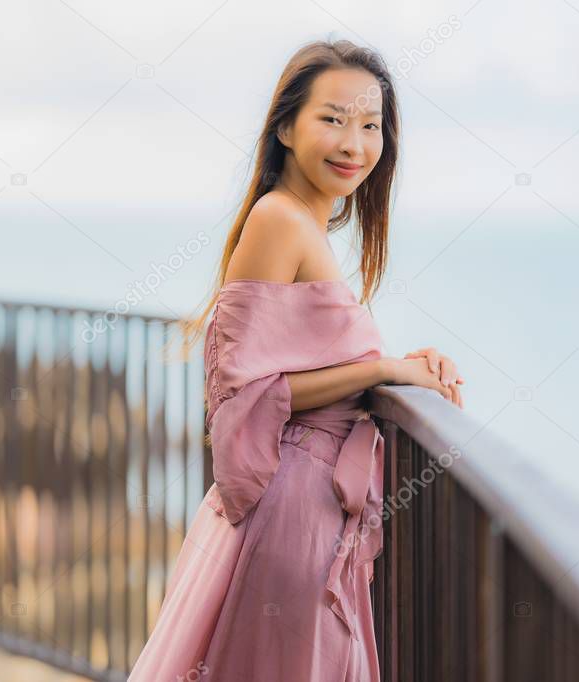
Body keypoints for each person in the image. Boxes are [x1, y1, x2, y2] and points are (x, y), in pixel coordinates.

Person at [128, 39, 464, 681]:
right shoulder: (279, 219)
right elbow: (242, 395)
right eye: (332, 119)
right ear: (285, 126)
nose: (354, 144)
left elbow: (294, 364)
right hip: (293, 514)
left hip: (310, 512)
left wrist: (402, 363)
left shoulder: (300, 224)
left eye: (371, 126)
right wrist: (381, 371)